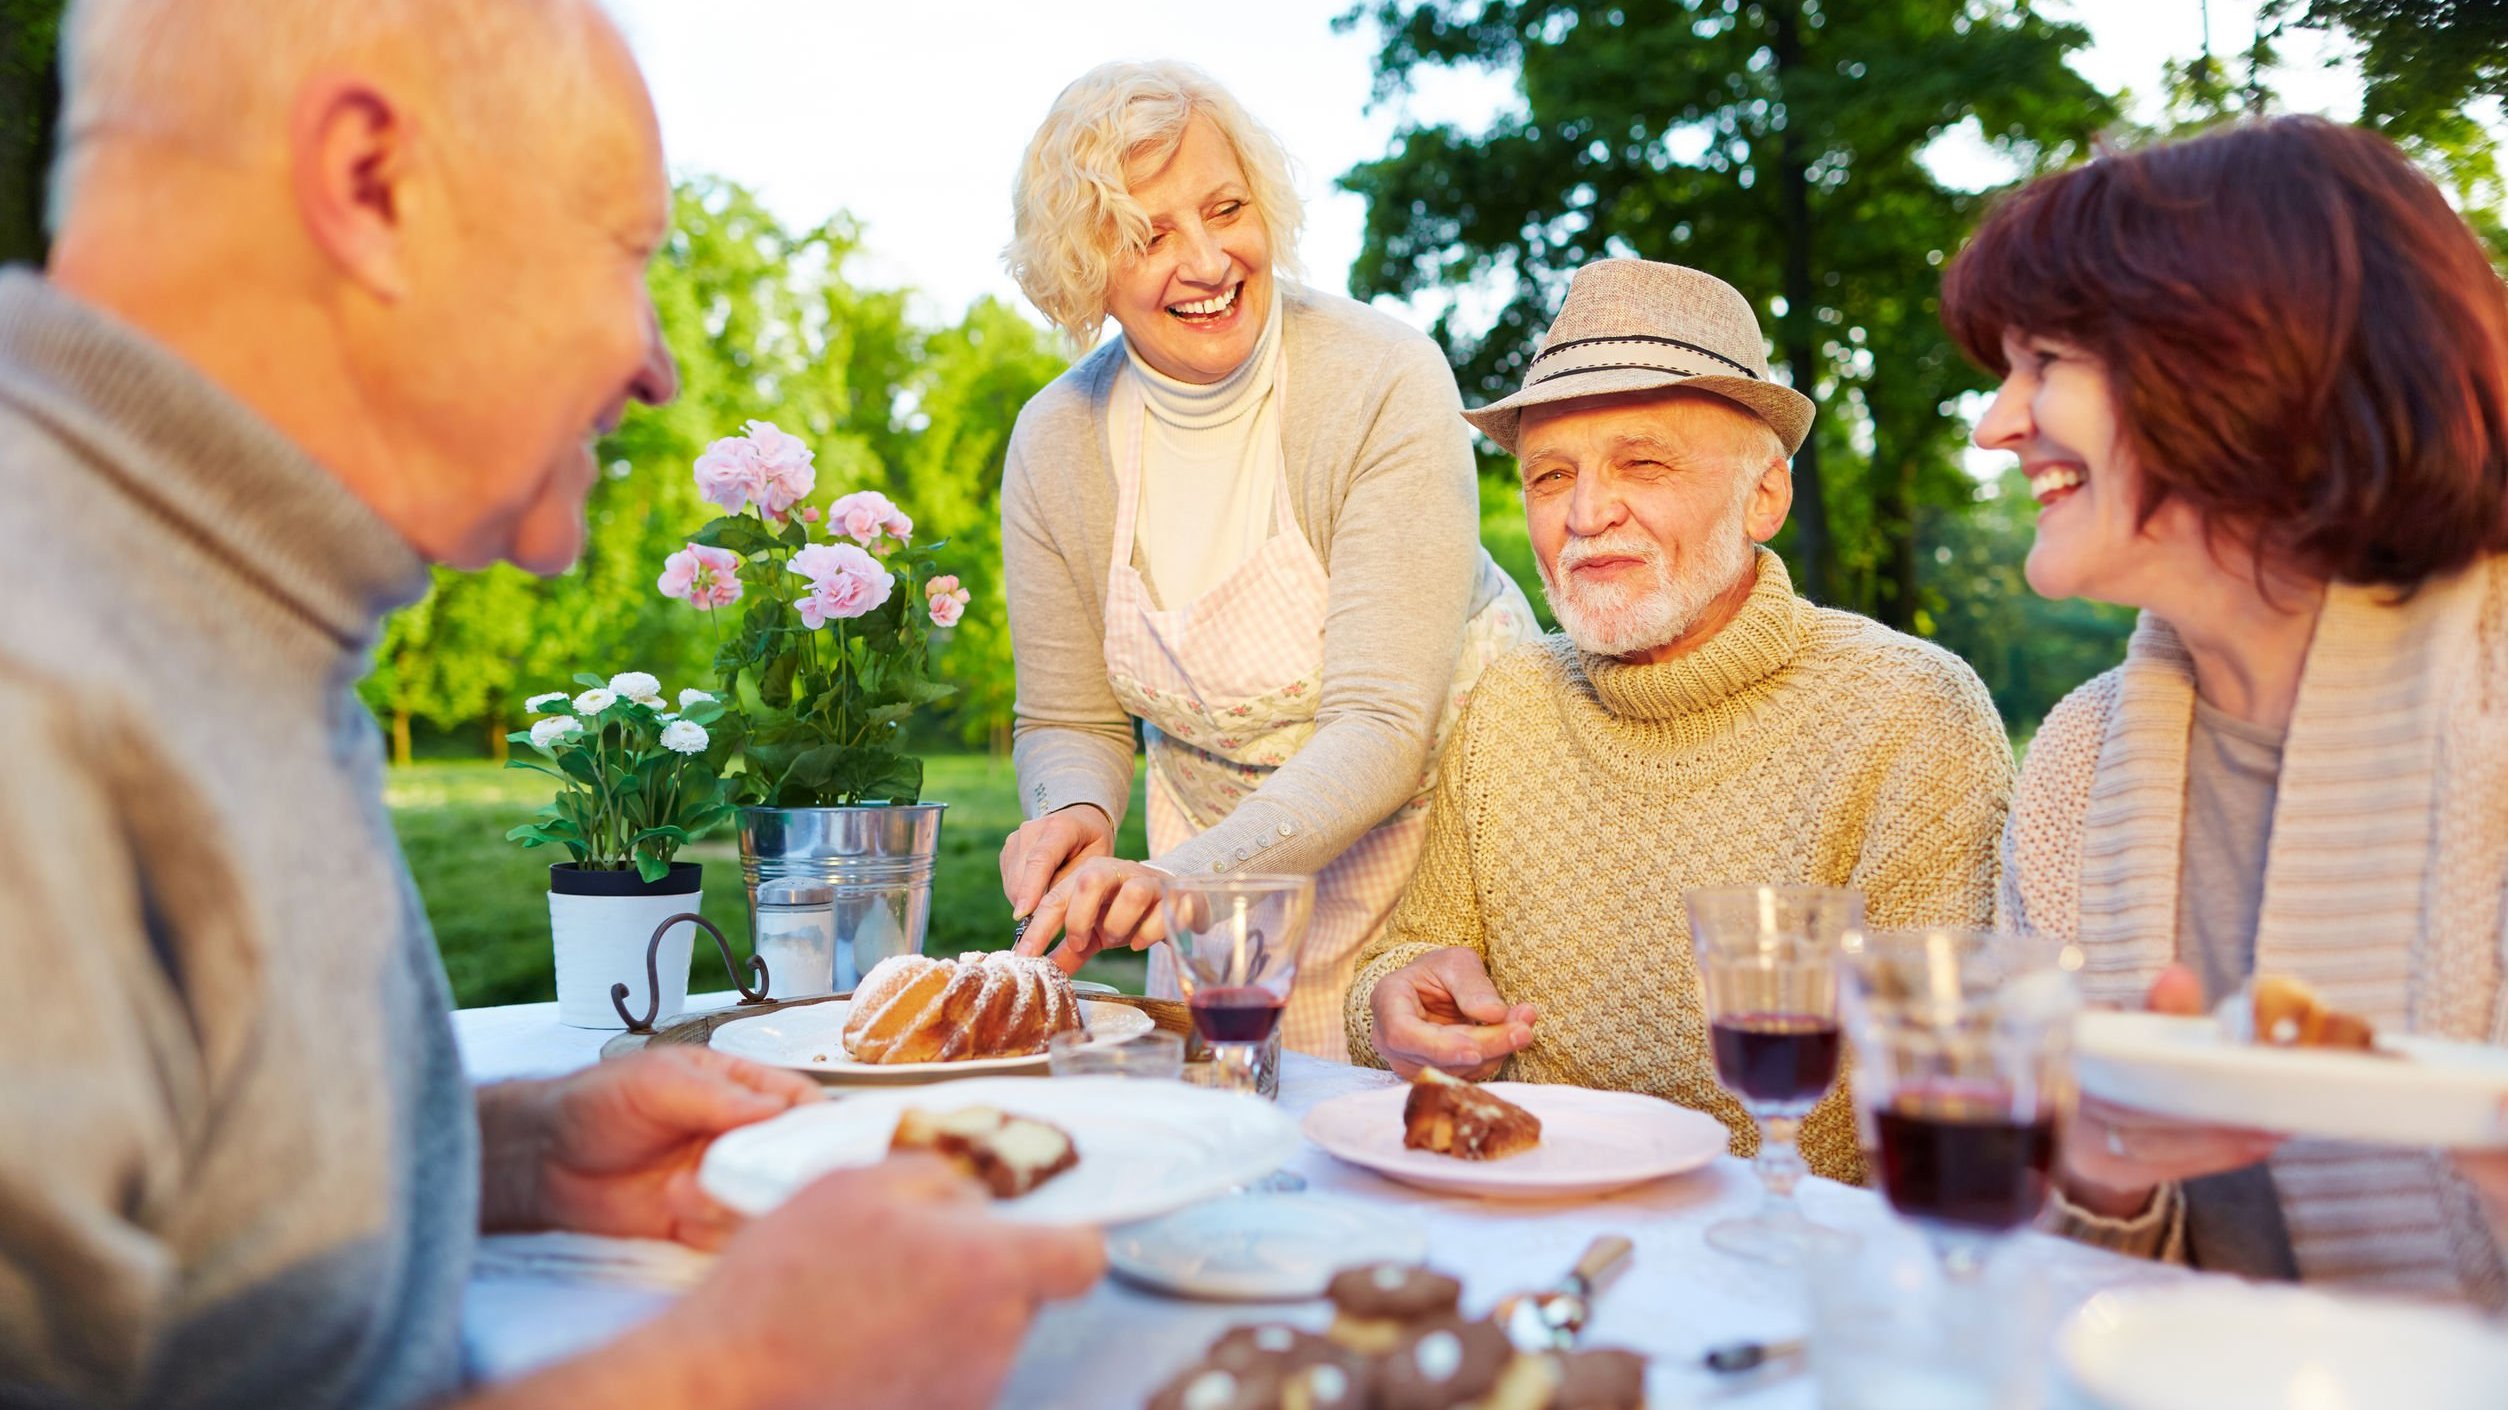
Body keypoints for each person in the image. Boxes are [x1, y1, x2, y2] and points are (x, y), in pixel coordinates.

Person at [0, 4, 1098, 1408]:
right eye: (626, 254)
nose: (658, 367)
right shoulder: (36, 680)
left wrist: (510, 1155)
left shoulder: (210, 596)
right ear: (369, 184)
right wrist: (734, 1375)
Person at [1950, 114, 2508, 1306]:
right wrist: (2099, 1177)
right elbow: (2048, 1289)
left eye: (2045, 363)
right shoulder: (2078, 762)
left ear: (2243, 364)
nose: (1996, 422)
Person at [1342, 259, 2014, 1181]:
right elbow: (1413, 949)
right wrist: (1391, 998)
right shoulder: (1511, 698)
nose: (1585, 513)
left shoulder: (1912, 717)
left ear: (1766, 497)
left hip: (1784, 1265)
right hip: (1520, 1218)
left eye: (1643, 463)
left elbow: (1931, 1099)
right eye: (1549, 476)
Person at [998, 61, 1535, 1057]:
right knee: (1227, 1155)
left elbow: (1379, 725)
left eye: (1226, 208)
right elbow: (1067, 716)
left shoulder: (1380, 379)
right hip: (1212, 909)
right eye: (1148, 235)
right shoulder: (1057, 441)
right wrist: (1071, 810)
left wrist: (1188, 879)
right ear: (1084, 268)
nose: (1206, 261)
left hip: (1441, 868)